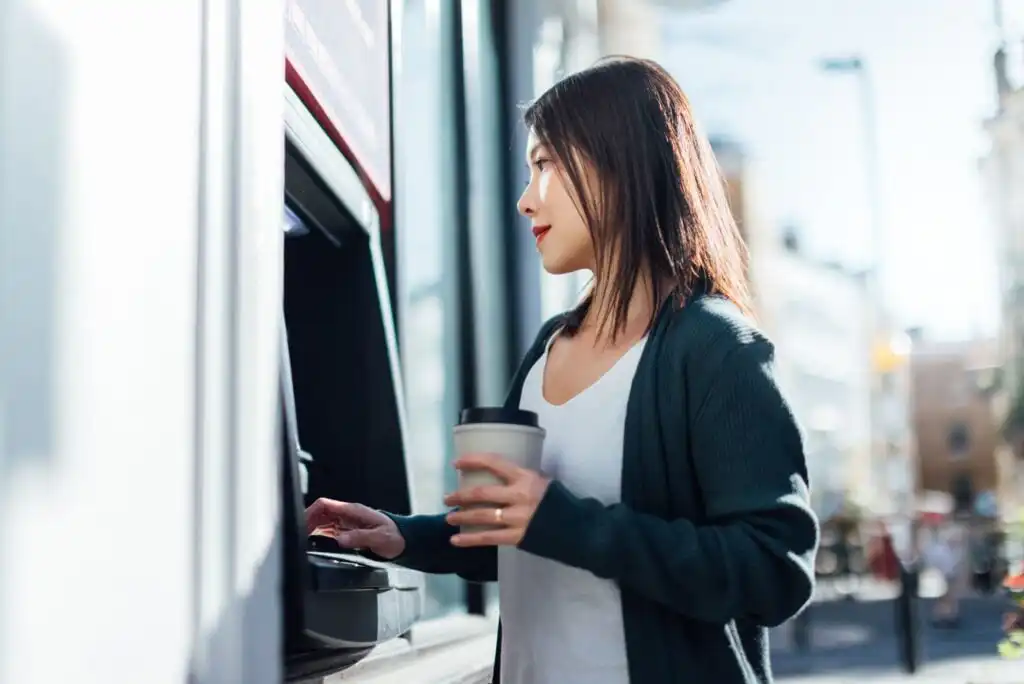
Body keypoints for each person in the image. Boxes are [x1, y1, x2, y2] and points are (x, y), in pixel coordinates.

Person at [305, 56, 818, 684]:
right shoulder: (550, 345)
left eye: (545, 164)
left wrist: (568, 524)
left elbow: (774, 570)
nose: (525, 200)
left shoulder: (717, 349)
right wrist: (402, 536)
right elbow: (522, 538)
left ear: (620, 165)